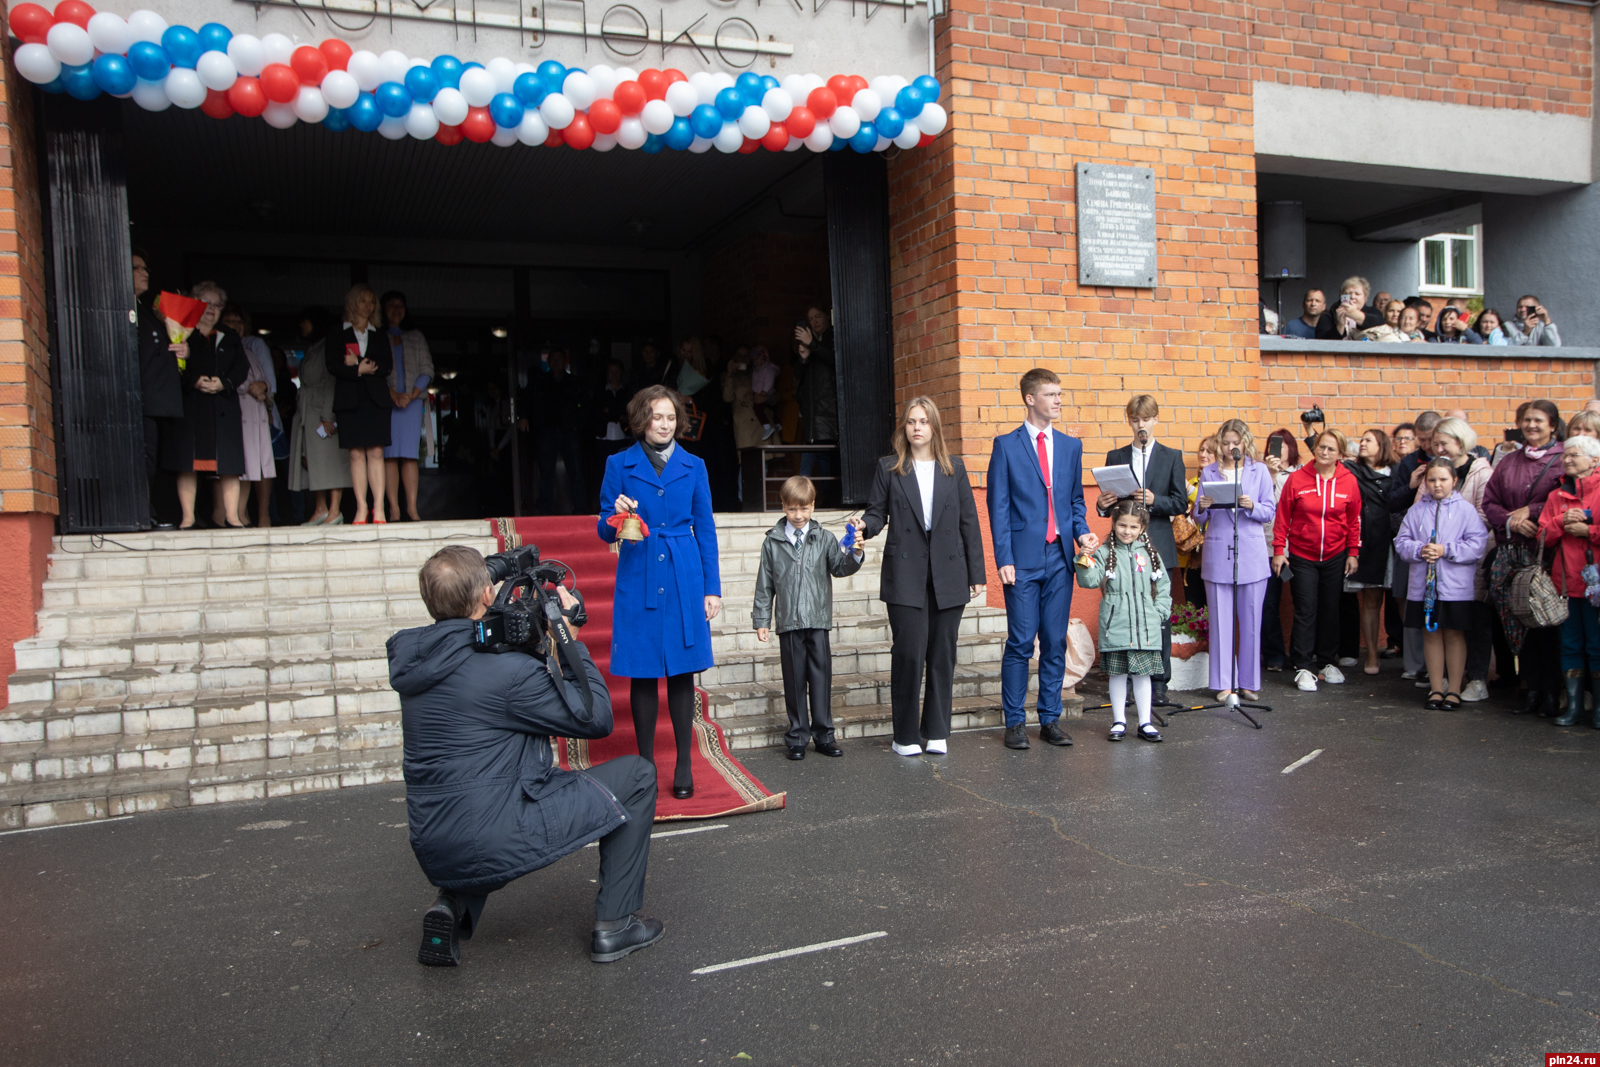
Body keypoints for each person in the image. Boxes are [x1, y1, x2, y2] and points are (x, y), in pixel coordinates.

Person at [387, 545, 662, 966]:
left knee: (479, 799)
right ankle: (616, 926)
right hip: (491, 836)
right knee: (638, 776)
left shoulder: (419, 664)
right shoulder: (505, 673)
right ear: (484, 596)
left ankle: (452, 905)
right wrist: (566, 636)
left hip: (434, 844)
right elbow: (597, 717)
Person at [598, 385, 722, 800]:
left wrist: (712, 589)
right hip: (639, 569)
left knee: (683, 670)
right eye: (656, 417)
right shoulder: (619, 463)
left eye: (671, 417)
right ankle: (646, 764)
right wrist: (614, 516)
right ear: (640, 421)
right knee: (644, 669)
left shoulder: (695, 465)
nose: (664, 424)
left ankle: (684, 763)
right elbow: (601, 529)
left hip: (684, 569)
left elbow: (705, 529)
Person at [862, 396, 987, 756]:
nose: (917, 428)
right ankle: (903, 735)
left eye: (924, 421)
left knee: (942, 653)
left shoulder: (954, 468)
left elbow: (969, 521)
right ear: (904, 427)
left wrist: (976, 573)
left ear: (934, 427)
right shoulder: (890, 468)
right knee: (909, 653)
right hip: (905, 571)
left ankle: (936, 730)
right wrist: (862, 528)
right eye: (911, 421)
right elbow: (876, 514)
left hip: (949, 570)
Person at [988, 369, 1099, 750]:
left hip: (1060, 557)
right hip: (1021, 558)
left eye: (1060, 394)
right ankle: (1015, 722)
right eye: (1051, 394)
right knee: (1021, 641)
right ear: (1030, 399)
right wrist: (1003, 556)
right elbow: (998, 507)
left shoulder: (1070, 447)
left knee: (1054, 640)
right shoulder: (1006, 445)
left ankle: (1049, 719)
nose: (1058, 400)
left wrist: (1082, 531)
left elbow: (1074, 501)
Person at [752, 475, 864, 760]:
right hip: (789, 621)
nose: (798, 515)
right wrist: (762, 620)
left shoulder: (824, 538)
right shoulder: (773, 542)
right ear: (783, 507)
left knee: (820, 678)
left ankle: (824, 735)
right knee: (794, 679)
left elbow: (839, 568)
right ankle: (797, 736)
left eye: (804, 509)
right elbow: (764, 584)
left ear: (813, 506)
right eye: (792, 509)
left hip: (817, 620)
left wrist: (856, 552)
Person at [1094, 394, 1188, 704]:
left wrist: (1154, 500)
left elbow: (1179, 502)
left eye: (1146, 419)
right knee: (1123, 613)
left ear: (1155, 420)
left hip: (1157, 543)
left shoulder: (1171, 456)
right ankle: (1130, 680)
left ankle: (1159, 683)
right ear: (1129, 421)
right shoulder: (1116, 454)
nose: (1140, 425)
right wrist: (1103, 505)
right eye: (1135, 419)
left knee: (1156, 615)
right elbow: (1109, 506)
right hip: (1122, 548)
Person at [1484, 399, 1567, 716]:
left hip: (1547, 553)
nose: (1531, 426)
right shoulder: (1508, 461)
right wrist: (1510, 518)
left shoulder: (1562, 459)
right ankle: (1530, 689)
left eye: (1539, 421)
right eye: (1527, 420)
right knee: (1522, 622)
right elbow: (1489, 501)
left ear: (1553, 425)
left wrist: (1531, 512)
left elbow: (1563, 495)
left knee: (1548, 622)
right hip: (1514, 554)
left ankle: (1551, 692)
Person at [1395, 458, 1490, 710]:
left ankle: (1455, 690)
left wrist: (1446, 549)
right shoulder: (1416, 510)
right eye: (1432, 480)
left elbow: (1477, 544)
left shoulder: (1465, 510)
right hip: (1422, 588)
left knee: (1454, 635)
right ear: (1425, 482)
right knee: (1431, 633)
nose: (1437, 485)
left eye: (1443, 479)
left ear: (1454, 481)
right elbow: (1401, 542)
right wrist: (1419, 549)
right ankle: (1436, 689)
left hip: (1455, 588)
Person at [1272, 429, 1362, 692]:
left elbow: (1354, 519)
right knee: (1305, 609)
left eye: (1331, 449)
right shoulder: (1298, 479)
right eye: (1321, 447)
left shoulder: (1349, 481)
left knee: (1330, 608)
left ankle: (1326, 661)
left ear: (1340, 455)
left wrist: (1353, 552)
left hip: (1335, 555)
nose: (1324, 452)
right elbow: (1283, 518)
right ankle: (1302, 665)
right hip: (1302, 555)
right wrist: (1279, 550)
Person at [1194, 420, 1276, 701]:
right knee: (1220, 620)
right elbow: (1199, 516)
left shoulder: (1259, 470)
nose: (1231, 448)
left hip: (1251, 554)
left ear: (1245, 443)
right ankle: (1223, 683)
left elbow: (1269, 510)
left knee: (1251, 620)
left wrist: (1252, 505)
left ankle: (1249, 682)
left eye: (1236, 442)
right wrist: (1202, 508)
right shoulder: (1209, 471)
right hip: (1218, 552)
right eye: (1226, 442)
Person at [1076, 501, 1170, 741]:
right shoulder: (1104, 552)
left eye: (1133, 526)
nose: (1127, 531)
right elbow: (1089, 581)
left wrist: (1159, 612)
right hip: (1115, 626)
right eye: (1122, 525)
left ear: (1142, 528)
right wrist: (1084, 558)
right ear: (1114, 524)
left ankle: (1145, 722)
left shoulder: (1149, 554)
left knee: (1142, 674)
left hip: (1145, 627)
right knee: (1117, 674)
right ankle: (1119, 721)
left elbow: (1163, 587)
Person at [164, 281, 248, 530]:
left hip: (223, 407)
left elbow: (242, 368)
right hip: (193, 406)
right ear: (195, 302)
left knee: (229, 464)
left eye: (218, 305)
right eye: (207, 303)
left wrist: (224, 383)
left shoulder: (230, 335)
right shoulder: (182, 333)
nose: (212, 309)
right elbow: (171, 370)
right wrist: (193, 381)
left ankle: (232, 517)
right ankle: (188, 518)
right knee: (188, 462)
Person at [1426, 417, 1495, 699]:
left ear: (1461, 442)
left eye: (1444, 443)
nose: (1439, 448)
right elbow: (1421, 506)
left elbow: (1483, 515)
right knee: (1439, 624)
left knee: (1473, 619)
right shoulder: (1431, 472)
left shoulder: (1481, 472)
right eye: (1435, 443)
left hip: (1468, 559)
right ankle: (1439, 679)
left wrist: (1448, 541)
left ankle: (1476, 677)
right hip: (1435, 565)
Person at [1538, 433, 1600, 728]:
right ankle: (1574, 708)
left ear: (1595, 460)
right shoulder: (1556, 496)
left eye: (1575, 454)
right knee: (1570, 645)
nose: (1568, 459)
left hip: (1596, 585)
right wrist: (1561, 522)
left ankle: (1598, 709)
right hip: (1564, 585)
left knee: (1598, 646)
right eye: (1567, 454)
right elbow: (1542, 539)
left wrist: (1591, 533)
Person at [327, 284, 392, 525]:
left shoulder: (379, 333)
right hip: (349, 399)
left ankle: (379, 509)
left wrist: (361, 363)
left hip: (375, 399)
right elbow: (332, 365)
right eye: (363, 301)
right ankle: (361, 509)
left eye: (372, 301)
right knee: (356, 454)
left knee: (376, 452)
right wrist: (358, 370)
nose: (369, 306)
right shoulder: (337, 332)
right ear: (353, 303)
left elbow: (387, 366)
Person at [1386, 411, 1443, 682]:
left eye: (1430, 440)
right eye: (1422, 440)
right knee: (1410, 599)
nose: (1428, 446)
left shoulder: (1447, 460)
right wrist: (1411, 485)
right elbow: (1392, 503)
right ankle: (1415, 662)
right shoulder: (1409, 462)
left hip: (1443, 545)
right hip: (1412, 540)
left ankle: (1440, 669)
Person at [132, 250, 184, 528]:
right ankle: (140, 514)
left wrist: (183, 349)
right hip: (132, 399)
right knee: (139, 457)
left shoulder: (145, 311)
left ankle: (146, 511)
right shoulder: (119, 309)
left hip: (152, 401)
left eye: (145, 267)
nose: (145, 272)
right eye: (137, 268)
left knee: (148, 458)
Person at [287, 323, 350, 526]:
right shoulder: (313, 347)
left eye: (305, 322)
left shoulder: (329, 345)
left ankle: (334, 509)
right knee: (312, 461)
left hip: (323, 411)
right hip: (308, 411)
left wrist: (328, 414)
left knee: (331, 460)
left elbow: (332, 382)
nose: (303, 326)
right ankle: (320, 508)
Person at [220, 305, 277, 528]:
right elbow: (224, 377)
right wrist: (248, 387)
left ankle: (242, 515)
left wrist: (262, 385)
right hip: (238, 414)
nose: (236, 326)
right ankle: (233, 516)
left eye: (239, 322)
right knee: (239, 466)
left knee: (252, 467)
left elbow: (266, 379)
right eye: (230, 322)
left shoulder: (250, 352)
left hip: (256, 416)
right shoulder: (222, 348)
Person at [1342, 429, 1393, 676]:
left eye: (1368, 440)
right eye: (1361, 440)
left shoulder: (1398, 473)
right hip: (1367, 542)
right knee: (1370, 601)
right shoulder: (1353, 470)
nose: (1362, 443)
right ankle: (1372, 654)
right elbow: (1325, 455)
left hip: (1392, 543)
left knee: (1401, 602)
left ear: (1381, 446)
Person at [380, 291, 433, 523]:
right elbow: (375, 371)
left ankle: (411, 509)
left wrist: (411, 395)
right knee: (389, 456)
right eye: (391, 305)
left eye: (400, 305)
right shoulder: (378, 336)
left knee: (410, 456)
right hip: (387, 403)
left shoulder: (416, 336)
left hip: (411, 404)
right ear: (382, 309)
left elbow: (427, 369)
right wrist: (392, 394)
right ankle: (393, 510)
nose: (396, 309)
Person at [1260, 428, 1301, 671]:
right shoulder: (1261, 474)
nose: (1275, 450)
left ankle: (1300, 654)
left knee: (1302, 603)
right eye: (1272, 445)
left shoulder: (1302, 474)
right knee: (1269, 603)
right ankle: (1274, 654)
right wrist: (1271, 476)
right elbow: (1267, 509)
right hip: (1267, 548)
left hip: (1296, 549)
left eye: (1281, 445)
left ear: (1291, 448)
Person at [532, 349, 588, 515]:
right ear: (549, 362)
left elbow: (584, 405)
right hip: (547, 431)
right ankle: (545, 510)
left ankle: (580, 509)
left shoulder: (574, 382)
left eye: (559, 359)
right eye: (553, 359)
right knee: (546, 472)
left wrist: (579, 425)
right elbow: (532, 402)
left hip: (569, 431)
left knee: (575, 471)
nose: (556, 363)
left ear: (565, 363)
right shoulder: (541, 382)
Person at [794, 306, 837, 475]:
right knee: (811, 459)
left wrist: (812, 343)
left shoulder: (833, 336)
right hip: (812, 413)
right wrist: (804, 359)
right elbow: (797, 377)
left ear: (827, 316)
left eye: (818, 316)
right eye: (810, 319)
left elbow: (835, 360)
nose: (814, 321)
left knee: (825, 459)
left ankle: (827, 499)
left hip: (829, 411)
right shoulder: (811, 341)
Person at [1181, 436, 1218, 607]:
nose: (1203, 454)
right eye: (1201, 450)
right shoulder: (1191, 483)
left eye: (1209, 451)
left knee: (1215, 605)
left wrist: (1189, 491)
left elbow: (1212, 505)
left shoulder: (1219, 482)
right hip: (1191, 554)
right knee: (1194, 604)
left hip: (1213, 552)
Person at [589, 359, 634, 494]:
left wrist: (611, 411)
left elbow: (628, 413)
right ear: (607, 374)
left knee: (623, 471)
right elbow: (596, 412)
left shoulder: (627, 392)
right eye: (611, 372)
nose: (614, 375)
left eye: (617, 372)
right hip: (603, 437)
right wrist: (618, 414)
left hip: (623, 437)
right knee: (603, 472)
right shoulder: (599, 391)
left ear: (621, 374)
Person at [1316, 276, 1384, 339]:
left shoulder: (1373, 312)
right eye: (1348, 293)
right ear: (1341, 296)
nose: (1352, 297)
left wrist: (1355, 314)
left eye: (1357, 294)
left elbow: (1381, 324)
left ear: (1365, 297)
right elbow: (1322, 342)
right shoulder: (1328, 316)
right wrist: (1340, 325)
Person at [749, 345, 778, 439]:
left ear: (763, 357)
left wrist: (764, 391)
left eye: (757, 358)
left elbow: (769, 380)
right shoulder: (756, 371)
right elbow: (755, 382)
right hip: (759, 393)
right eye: (753, 359)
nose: (755, 361)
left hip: (765, 393)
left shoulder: (767, 369)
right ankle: (776, 424)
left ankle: (767, 426)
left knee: (759, 409)